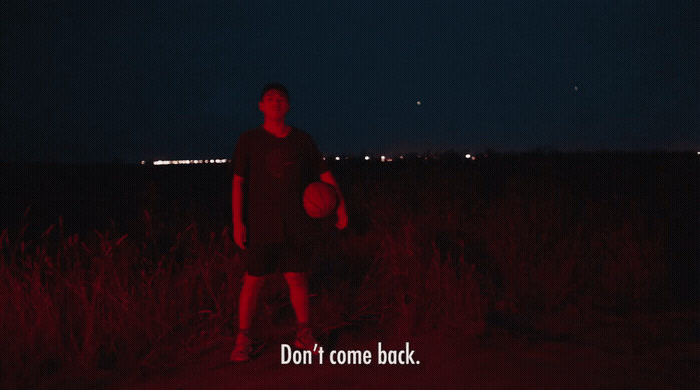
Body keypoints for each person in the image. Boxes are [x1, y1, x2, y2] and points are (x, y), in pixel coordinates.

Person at [230, 83, 348, 362]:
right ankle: (243, 339)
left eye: (281, 99)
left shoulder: (302, 141)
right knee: (253, 280)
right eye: (270, 99)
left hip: (296, 223)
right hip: (261, 223)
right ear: (260, 106)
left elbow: (325, 175)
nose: (276, 103)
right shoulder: (249, 140)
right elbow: (237, 183)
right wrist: (238, 222)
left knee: (297, 277)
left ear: (288, 106)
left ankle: (303, 335)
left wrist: (341, 207)